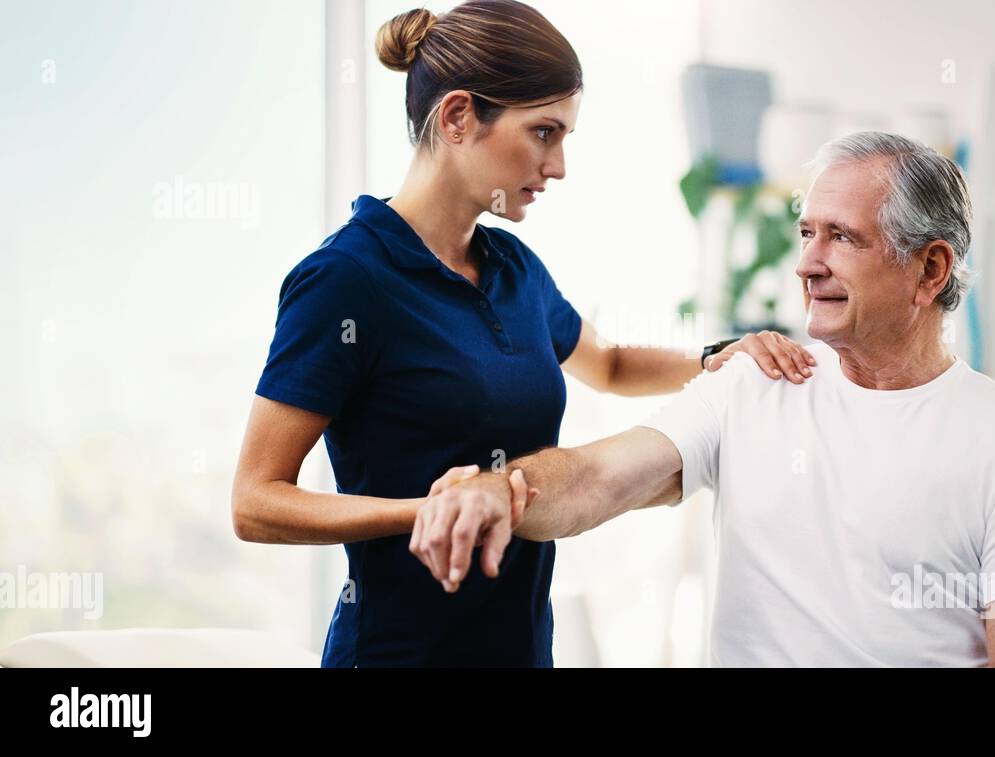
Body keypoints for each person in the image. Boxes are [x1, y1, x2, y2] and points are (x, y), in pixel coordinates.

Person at [231, 0, 813, 668]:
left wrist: (716, 357)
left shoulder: (514, 268)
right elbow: (255, 501)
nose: (559, 164)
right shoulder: (346, 280)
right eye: (543, 132)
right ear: (457, 117)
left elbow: (612, 365)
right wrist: (434, 508)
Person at [413, 132, 995, 667]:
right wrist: (503, 489)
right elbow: (597, 478)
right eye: (805, 232)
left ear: (930, 269)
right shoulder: (757, 383)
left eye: (841, 237)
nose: (806, 262)